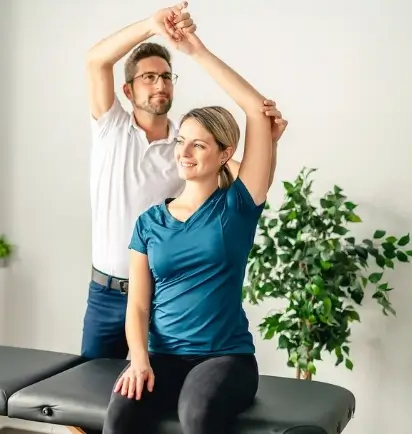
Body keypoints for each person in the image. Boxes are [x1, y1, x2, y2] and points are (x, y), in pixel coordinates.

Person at [102, 9, 281, 434]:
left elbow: (257, 111)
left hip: (225, 359)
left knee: (195, 416)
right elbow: (138, 305)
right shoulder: (149, 222)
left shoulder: (237, 206)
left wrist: (195, 51)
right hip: (161, 357)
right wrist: (139, 360)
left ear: (224, 154)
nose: (183, 152)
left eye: (198, 145)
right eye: (181, 141)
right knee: (119, 418)